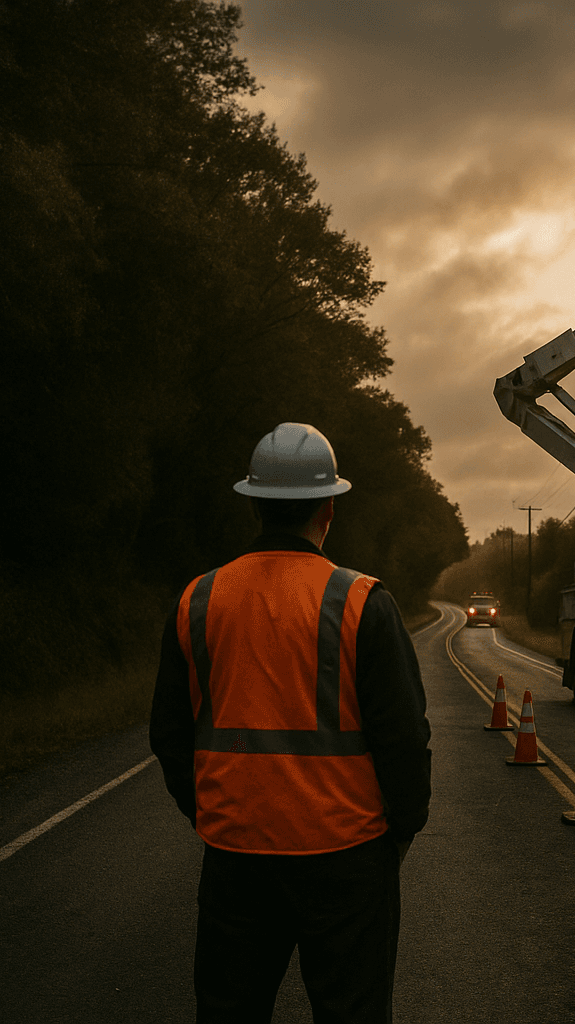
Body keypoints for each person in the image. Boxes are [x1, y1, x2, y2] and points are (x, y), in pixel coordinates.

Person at [150, 421, 432, 1024]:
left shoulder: (198, 599)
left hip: (236, 856)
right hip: (347, 855)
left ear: (253, 504)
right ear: (328, 507)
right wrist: (401, 830)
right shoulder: (362, 602)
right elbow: (404, 737)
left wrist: (208, 814)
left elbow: (169, 734)